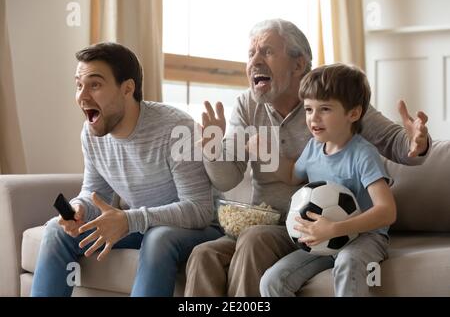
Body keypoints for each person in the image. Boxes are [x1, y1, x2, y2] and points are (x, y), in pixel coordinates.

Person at [184, 18, 430, 297]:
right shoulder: (247, 106)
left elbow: (397, 143)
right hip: (270, 223)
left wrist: (416, 142)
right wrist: (213, 148)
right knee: (204, 254)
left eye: (266, 51)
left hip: (306, 226)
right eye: (251, 53)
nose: (255, 61)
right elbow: (231, 179)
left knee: (254, 240)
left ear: (298, 64)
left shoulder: (334, 100)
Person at [31, 42, 222, 297]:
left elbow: (199, 209)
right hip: (142, 225)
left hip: (197, 230)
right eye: (79, 85)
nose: (82, 96)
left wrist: (131, 220)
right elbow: (95, 191)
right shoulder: (91, 133)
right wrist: (80, 208)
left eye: (95, 85)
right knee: (56, 231)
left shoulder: (176, 128)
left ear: (127, 88)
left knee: (158, 238)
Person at [259, 63, 396, 296]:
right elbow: (293, 175)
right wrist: (267, 154)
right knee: (272, 281)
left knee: (348, 262)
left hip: (364, 238)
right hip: (323, 240)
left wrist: (335, 228)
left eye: (324, 109)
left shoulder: (363, 154)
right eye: (309, 109)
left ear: (353, 113)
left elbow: (387, 211)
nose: (314, 118)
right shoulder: (313, 148)